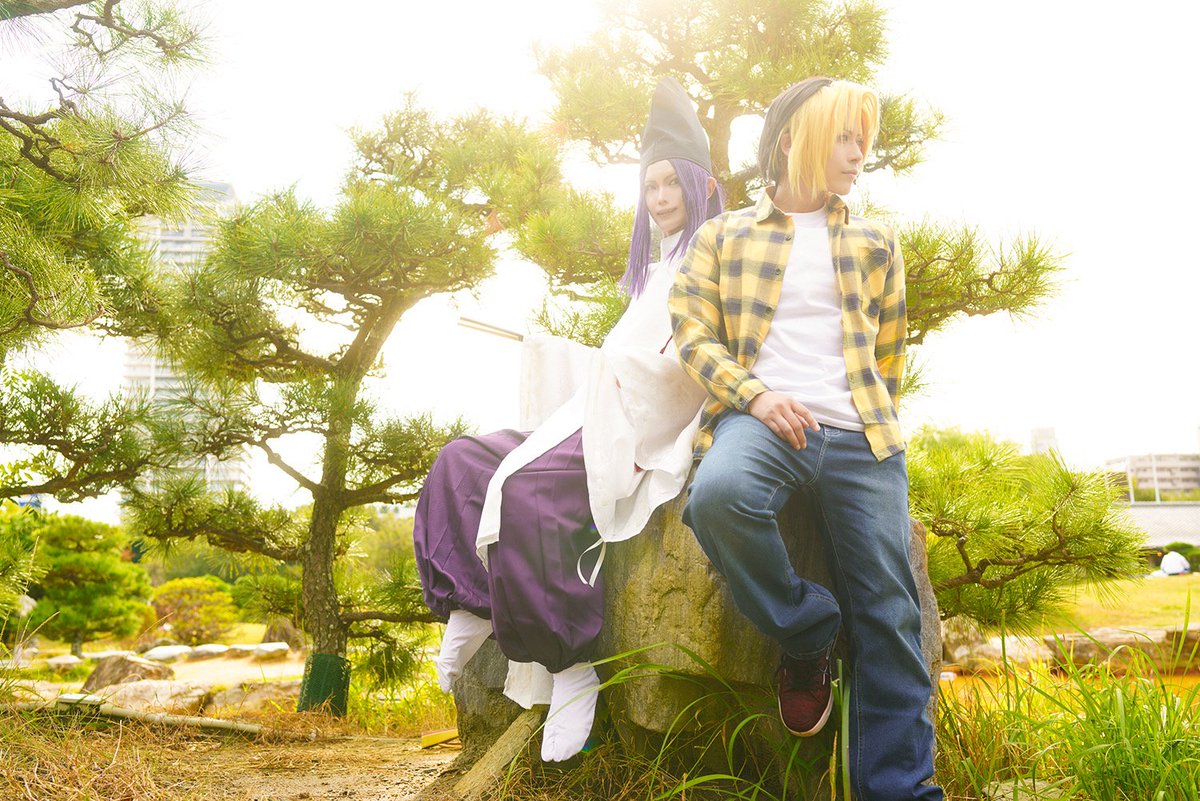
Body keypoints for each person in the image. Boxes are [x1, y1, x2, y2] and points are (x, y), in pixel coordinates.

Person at [413, 77, 724, 763]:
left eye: (672, 183)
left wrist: (618, 379)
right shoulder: (655, 269)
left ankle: (572, 666)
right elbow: (619, 353)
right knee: (460, 462)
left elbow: (683, 365)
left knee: (527, 488)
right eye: (650, 186)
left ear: (701, 184)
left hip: (638, 424)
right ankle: (474, 600)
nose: (661, 198)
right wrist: (547, 348)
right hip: (593, 411)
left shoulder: (713, 257)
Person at [667, 78, 943, 800]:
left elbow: (889, 354)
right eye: (844, 137)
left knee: (890, 611)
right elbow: (692, 334)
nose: (858, 154)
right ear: (792, 138)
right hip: (762, 420)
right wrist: (754, 395)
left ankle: (902, 790)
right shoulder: (724, 235)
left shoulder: (876, 239)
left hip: (859, 433)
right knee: (718, 497)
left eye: (863, 141)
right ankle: (806, 628)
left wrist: (878, 428)